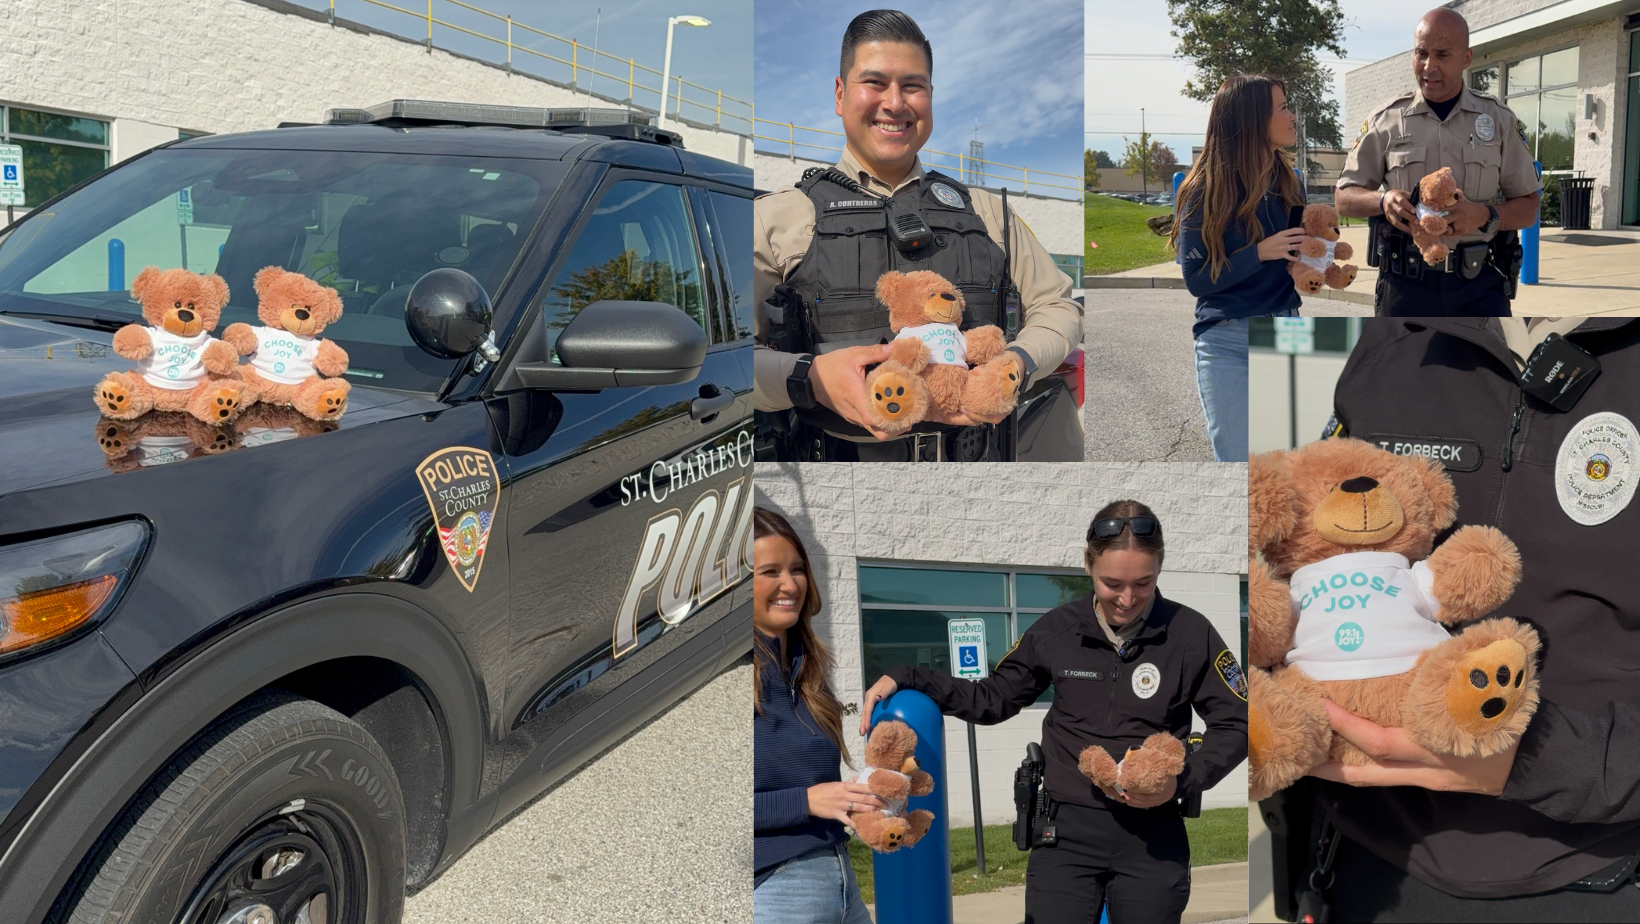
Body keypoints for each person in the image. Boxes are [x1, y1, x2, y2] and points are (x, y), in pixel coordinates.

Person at [1288, 316, 1640, 921]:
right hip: (1363, 861)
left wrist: (1540, 757)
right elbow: (1307, 538)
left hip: (1593, 872)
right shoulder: (1398, 334)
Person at [858, 501, 1249, 924]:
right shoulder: (1056, 631)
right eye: (1112, 583)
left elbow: (1237, 722)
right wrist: (909, 676)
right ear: (1088, 565)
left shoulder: (1191, 634)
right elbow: (992, 699)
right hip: (1066, 835)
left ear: (1160, 567)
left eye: (1143, 582)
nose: (1127, 598)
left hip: (1153, 837)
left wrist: (1182, 780)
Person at [752, 9, 1083, 461]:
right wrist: (808, 377)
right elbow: (731, 357)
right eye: (874, 82)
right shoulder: (775, 218)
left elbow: (1057, 306)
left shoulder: (988, 212)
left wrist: (1018, 364)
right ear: (840, 94)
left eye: (912, 86)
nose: (895, 103)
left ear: (930, 96)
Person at [1335, 8, 1541, 317]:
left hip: (1480, 287)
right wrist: (1382, 200)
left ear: (1466, 58)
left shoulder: (1498, 120)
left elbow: (1528, 206)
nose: (1429, 66)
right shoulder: (1386, 121)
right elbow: (1343, 197)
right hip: (1404, 286)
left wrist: (1484, 215)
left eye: (1442, 55)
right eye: (1421, 53)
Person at [1171, 74, 1311, 462]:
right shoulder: (1203, 190)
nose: (1293, 117)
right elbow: (1196, 281)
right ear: (1254, 120)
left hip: (1287, 329)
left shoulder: (1291, 182)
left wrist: (1310, 263)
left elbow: (1296, 257)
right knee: (1238, 464)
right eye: (1283, 108)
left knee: (1291, 468)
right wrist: (1259, 252)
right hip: (1225, 341)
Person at [752, 507, 879, 924]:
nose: (790, 584)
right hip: (772, 890)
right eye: (770, 571)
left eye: (797, 569)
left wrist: (854, 797)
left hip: (840, 882)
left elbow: (811, 786)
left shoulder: (807, 672)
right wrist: (807, 801)